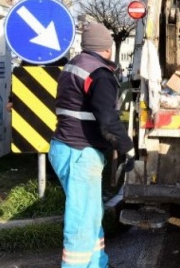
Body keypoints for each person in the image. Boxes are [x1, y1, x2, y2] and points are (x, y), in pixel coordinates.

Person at [48, 22, 135, 268]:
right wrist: (127, 147)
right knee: (82, 223)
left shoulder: (74, 64)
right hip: (80, 153)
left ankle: (99, 264)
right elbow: (108, 120)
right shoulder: (100, 74)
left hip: (66, 147)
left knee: (91, 215)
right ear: (107, 48)